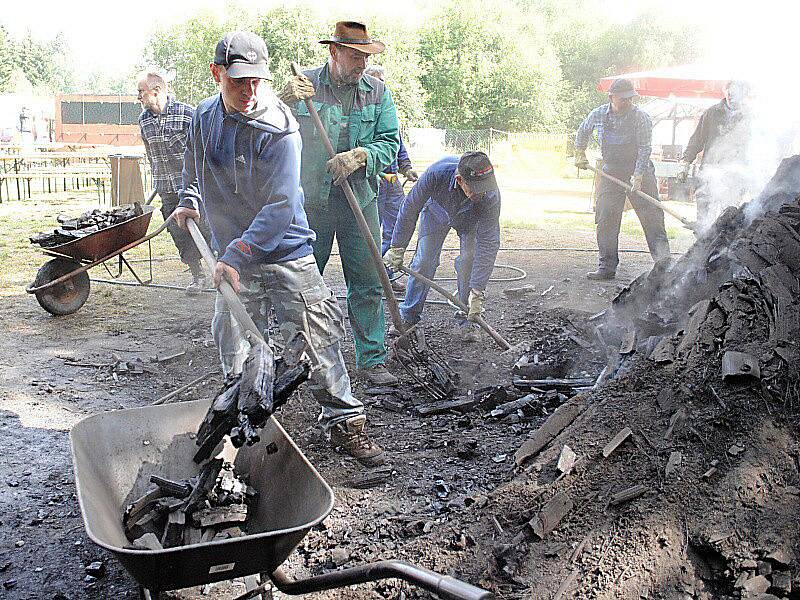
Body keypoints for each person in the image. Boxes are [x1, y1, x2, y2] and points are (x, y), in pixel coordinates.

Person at [173, 31, 384, 466]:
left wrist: (236, 254)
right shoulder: (202, 118)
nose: (250, 92)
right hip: (233, 255)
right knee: (232, 343)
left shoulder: (280, 126)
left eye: (256, 81)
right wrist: (189, 199)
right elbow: (193, 168)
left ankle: (345, 422)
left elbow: (282, 205)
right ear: (217, 74)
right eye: (238, 82)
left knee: (317, 340)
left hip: (285, 252)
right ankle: (238, 425)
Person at [279, 21, 401, 387]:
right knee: (302, 282)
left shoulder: (378, 93)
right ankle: (295, 356)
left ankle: (372, 358)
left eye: (366, 57)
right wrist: (282, 100)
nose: (362, 64)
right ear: (333, 52)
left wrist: (361, 156)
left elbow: (390, 142)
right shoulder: (305, 88)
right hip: (312, 203)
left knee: (367, 281)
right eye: (355, 56)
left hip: (359, 202)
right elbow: (266, 126)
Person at [384, 152, 500, 342]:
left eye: (484, 188)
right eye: (476, 189)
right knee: (423, 260)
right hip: (437, 212)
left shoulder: (490, 195)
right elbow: (410, 207)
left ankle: (467, 320)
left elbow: (489, 242)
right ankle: (409, 317)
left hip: (471, 219)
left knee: (468, 262)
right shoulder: (437, 173)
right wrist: (397, 246)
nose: (482, 193)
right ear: (459, 180)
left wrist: (478, 290)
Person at [574, 78, 670, 280]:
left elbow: (644, 148)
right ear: (612, 97)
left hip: (639, 170)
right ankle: (607, 267)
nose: (628, 102)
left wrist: (638, 176)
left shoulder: (640, 117)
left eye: (630, 98)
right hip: (611, 172)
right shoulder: (598, 114)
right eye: (623, 98)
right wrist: (580, 153)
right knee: (606, 216)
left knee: (652, 216)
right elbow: (582, 131)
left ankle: (664, 265)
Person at [137, 68, 210, 293]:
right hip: (166, 189)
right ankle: (198, 276)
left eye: (141, 92)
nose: (138, 97)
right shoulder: (143, 121)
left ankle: (224, 271)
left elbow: (205, 152)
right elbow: (151, 154)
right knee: (179, 235)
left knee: (208, 231)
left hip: (195, 189)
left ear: (156, 90)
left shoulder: (189, 113)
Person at [363, 65, 419, 293]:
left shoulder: (387, 108)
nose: (380, 86)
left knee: (397, 229)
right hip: (370, 183)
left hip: (393, 183)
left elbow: (397, 143)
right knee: (371, 232)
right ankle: (373, 279)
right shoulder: (361, 111)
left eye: (383, 81)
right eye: (376, 82)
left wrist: (406, 167)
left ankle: (388, 275)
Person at [679, 80, 753, 229]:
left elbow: (757, 149)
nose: (731, 97)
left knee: (728, 218)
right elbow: (696, 140)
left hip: (734, 177)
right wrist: (685, 162)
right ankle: (700, 247)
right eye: (728, 93)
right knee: (703, 219)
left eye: (735, 94)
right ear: (725, 92)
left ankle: (723, 249)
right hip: (709, 172)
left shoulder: (750, 117)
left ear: (744, 94)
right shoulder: (712, 113)